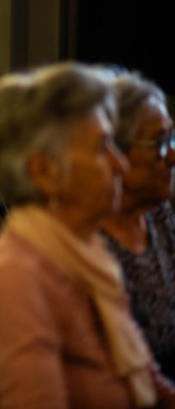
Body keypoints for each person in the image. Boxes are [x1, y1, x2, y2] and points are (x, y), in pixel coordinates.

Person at [0, 63, 175, 408]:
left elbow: (150, 384)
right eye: (103, 148)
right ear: (43, 172)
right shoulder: (17, 279)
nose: (120, 165)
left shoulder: (86, 255)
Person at [100, 70, 175, 380]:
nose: (172, 155)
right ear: (115, 152)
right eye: (159, 142)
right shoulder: (84, 238)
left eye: (172, 138)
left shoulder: (157, 212)